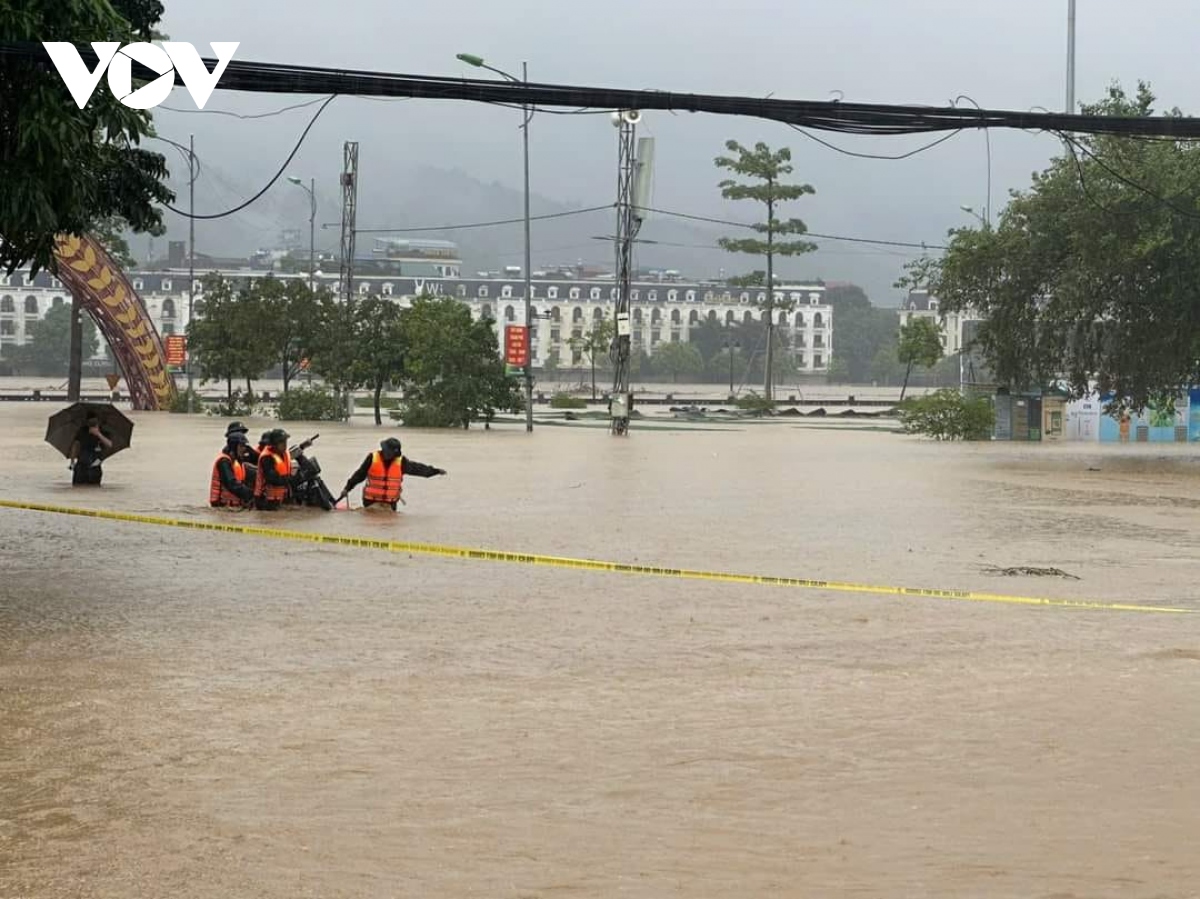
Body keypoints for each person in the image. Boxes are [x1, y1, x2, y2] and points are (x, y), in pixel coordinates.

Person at [340, 437, 446, 511]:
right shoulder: (372, 458)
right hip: (370, 502)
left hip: (390, 504)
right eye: (390, 453)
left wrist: (435, 471)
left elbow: (419, 469)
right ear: (385, 450)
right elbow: (359, 475)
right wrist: (347, 488)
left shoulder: (401, 462)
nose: (392, 456)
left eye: (394, 454)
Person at [253, 428, 297, 511]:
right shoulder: (266, 458)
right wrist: (292, 479)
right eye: (282, 442)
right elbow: (272, 479)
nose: (285, 444)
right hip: (266, 500)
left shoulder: (284, 453)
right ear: (274, 444)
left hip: (280, 499)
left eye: (285, 441)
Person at [210, 432, 255, 508]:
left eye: (244, 446)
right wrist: (251, 494)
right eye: (241, 446)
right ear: (233, 446)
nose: (244, 449)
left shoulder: (237, 461)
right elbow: (231, 484)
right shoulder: (223, 462)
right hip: (222, 507)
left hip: (235, 506)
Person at [69, 412, 113, 486]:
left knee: (94, 488)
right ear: (87, 422)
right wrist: (72, 462)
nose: (92, 424)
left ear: (98, 422)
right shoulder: (82, 431)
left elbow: (109, 444)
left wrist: (98, 434)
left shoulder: (104, 432)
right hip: (81, 465)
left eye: (94, 422)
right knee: (78, 488)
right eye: (90, 422)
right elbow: (75, 446)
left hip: (95, 465)